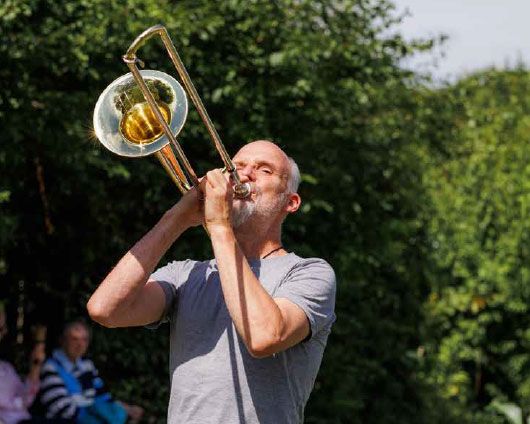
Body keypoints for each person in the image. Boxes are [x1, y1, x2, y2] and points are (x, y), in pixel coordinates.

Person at [87, 140, 336, 424]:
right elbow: (105, 309)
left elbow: (264, 337)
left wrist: (219, 225)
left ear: (290, 202)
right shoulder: (187, 273)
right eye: (238, 166)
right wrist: (176, 218)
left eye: (264, 170)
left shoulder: (310, 272)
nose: (245, 174)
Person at [38, 320, 143, 423]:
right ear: (63, 341)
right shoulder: (51, 367)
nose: (80, 345)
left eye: (84, 340)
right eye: (74, 339)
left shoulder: (87, 366)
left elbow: (103, 396)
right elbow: (60, 408)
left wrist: (125, 408)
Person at [0, 302, 65, 424]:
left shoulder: (5, 368)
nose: (4, 333)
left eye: (4, 328)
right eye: (0, 329)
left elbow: (26, 400)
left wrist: (35, 367)